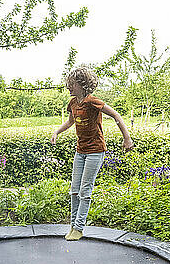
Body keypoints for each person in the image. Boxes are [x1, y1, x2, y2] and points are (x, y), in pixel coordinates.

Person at [51, 66, 134, 241]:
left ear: (82, 85)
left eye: (71, 84)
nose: (68, 87)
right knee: (74, 189)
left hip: (95, 151)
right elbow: (70, 122)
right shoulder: (73, 103)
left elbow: (116, 116)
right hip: (80, 151)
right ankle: (73, 225)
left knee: (85, 190)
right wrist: (57, 132)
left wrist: (127, 139)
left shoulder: (92, 101)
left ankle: (79, 227)